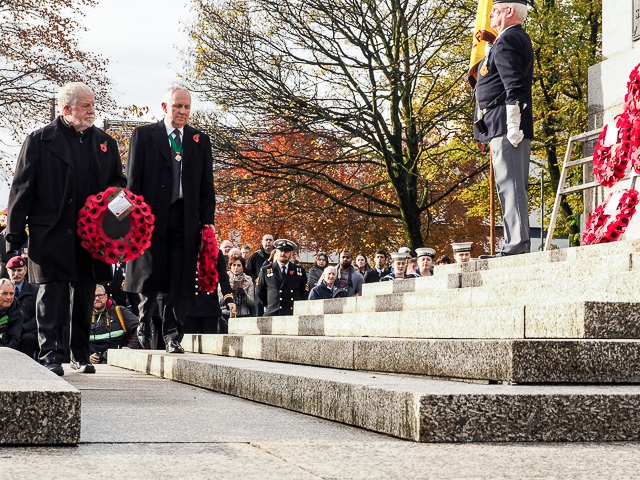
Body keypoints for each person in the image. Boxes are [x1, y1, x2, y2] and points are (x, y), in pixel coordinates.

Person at [6, 82, 126, 376]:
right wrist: (13, 237)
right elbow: (21, 189)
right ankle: (51, 355)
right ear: (66, 109)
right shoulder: (39, 140)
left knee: (85, 292)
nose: (92, 110)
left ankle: (79, 353)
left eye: (92, 104)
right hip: (51, 231)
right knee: (51, 294)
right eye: (86, 105)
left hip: (92, 235)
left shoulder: (105, 143)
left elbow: (119, 186)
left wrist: (119, 221)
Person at [124, 86, 216, 354]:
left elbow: (206, 185)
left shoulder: (200, 140)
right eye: (178, 106)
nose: (183, 112)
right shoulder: (144, 135)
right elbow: (133, 180)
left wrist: (207, 221)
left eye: (187, 107)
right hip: (150, 217)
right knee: (152, 274)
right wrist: (131, 217)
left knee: (181, 277)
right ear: (165, 107)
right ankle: (144, 320)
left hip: (185, 217)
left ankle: (174, 335)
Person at [474, 0, 533, 258]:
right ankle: (513, 242)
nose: (490, 14)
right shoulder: (507, 39)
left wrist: (513, 124)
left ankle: (517, 245)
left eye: (496, 10)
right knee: (508, 185)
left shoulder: (508, 40)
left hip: (508, 125)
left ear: (510, 12)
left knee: (511, 186)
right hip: (499, 123)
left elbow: (515, 86)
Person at [185, 247, 236, 335]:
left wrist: (229, 300)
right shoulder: (185, 250)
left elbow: (223, 279)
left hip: (209, 306)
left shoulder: (216, 253)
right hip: (189, 306)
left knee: (210, 343)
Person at [89, 285, 140, 364]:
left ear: (106, 297)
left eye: (100, 295)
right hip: (93, 364)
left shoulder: (120, 311)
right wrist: (86, 357)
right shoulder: (84, 316)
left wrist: (131, 347)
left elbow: (140, 329)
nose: (97, 298)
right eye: (93, 296)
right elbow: (77, 340)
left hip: (118, 363)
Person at [256, 239, 308, 316]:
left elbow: (304, 293)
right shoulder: (266, 270)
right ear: (276, 252)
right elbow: (259, 292)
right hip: (273, 312)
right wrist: (270, 305)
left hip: (292, 313)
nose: (283, 253)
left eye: (286, 251)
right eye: (281, 251)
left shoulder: (299, 271)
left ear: (291, 253)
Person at [7, 256, 39, 359]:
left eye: (19, 270)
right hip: (6, 330)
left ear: (25, 270)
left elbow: (39, 316)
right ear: (7, 271)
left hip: (27, 332)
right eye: (13, 270)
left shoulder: (35, 290)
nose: (16, 274)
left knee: (29, 339)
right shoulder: (2, 288)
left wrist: (22, 328)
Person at [220, 253, 254, 318]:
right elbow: (219, 301)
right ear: (230, 267)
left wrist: (244, 294)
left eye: (239, 265)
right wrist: (228, 292)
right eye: (234, 265)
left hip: (243, 313)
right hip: (226, 313)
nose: (236, 268)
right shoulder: (224, 279)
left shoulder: (248, 280)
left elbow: (252, 303)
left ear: (243, 267)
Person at [248, 234, 274, 316]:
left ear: (273, 242)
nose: (268, 242)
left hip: (272, 287)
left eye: (270, 240)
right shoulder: (255, 256)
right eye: (266, 240)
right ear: (262, 242)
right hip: (259, 287)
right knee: (258, 311)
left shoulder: (277, 255)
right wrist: (254, 279)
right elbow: (249, 271)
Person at [0, 279, 23, 350]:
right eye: (4, 293)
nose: (9, 297)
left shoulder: (17, 313)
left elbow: (14, 340)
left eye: (11, 293)